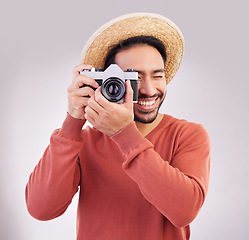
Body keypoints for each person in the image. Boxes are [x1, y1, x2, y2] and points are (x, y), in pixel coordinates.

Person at [25, 13, 211, 240]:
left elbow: (184, 211)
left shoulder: (187, 135)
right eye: (135, 77)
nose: (150, 90)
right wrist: (73, 121)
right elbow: (41, 209)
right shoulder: (85, 141)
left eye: (157, 75)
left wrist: (124, 134)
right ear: (106, 81)